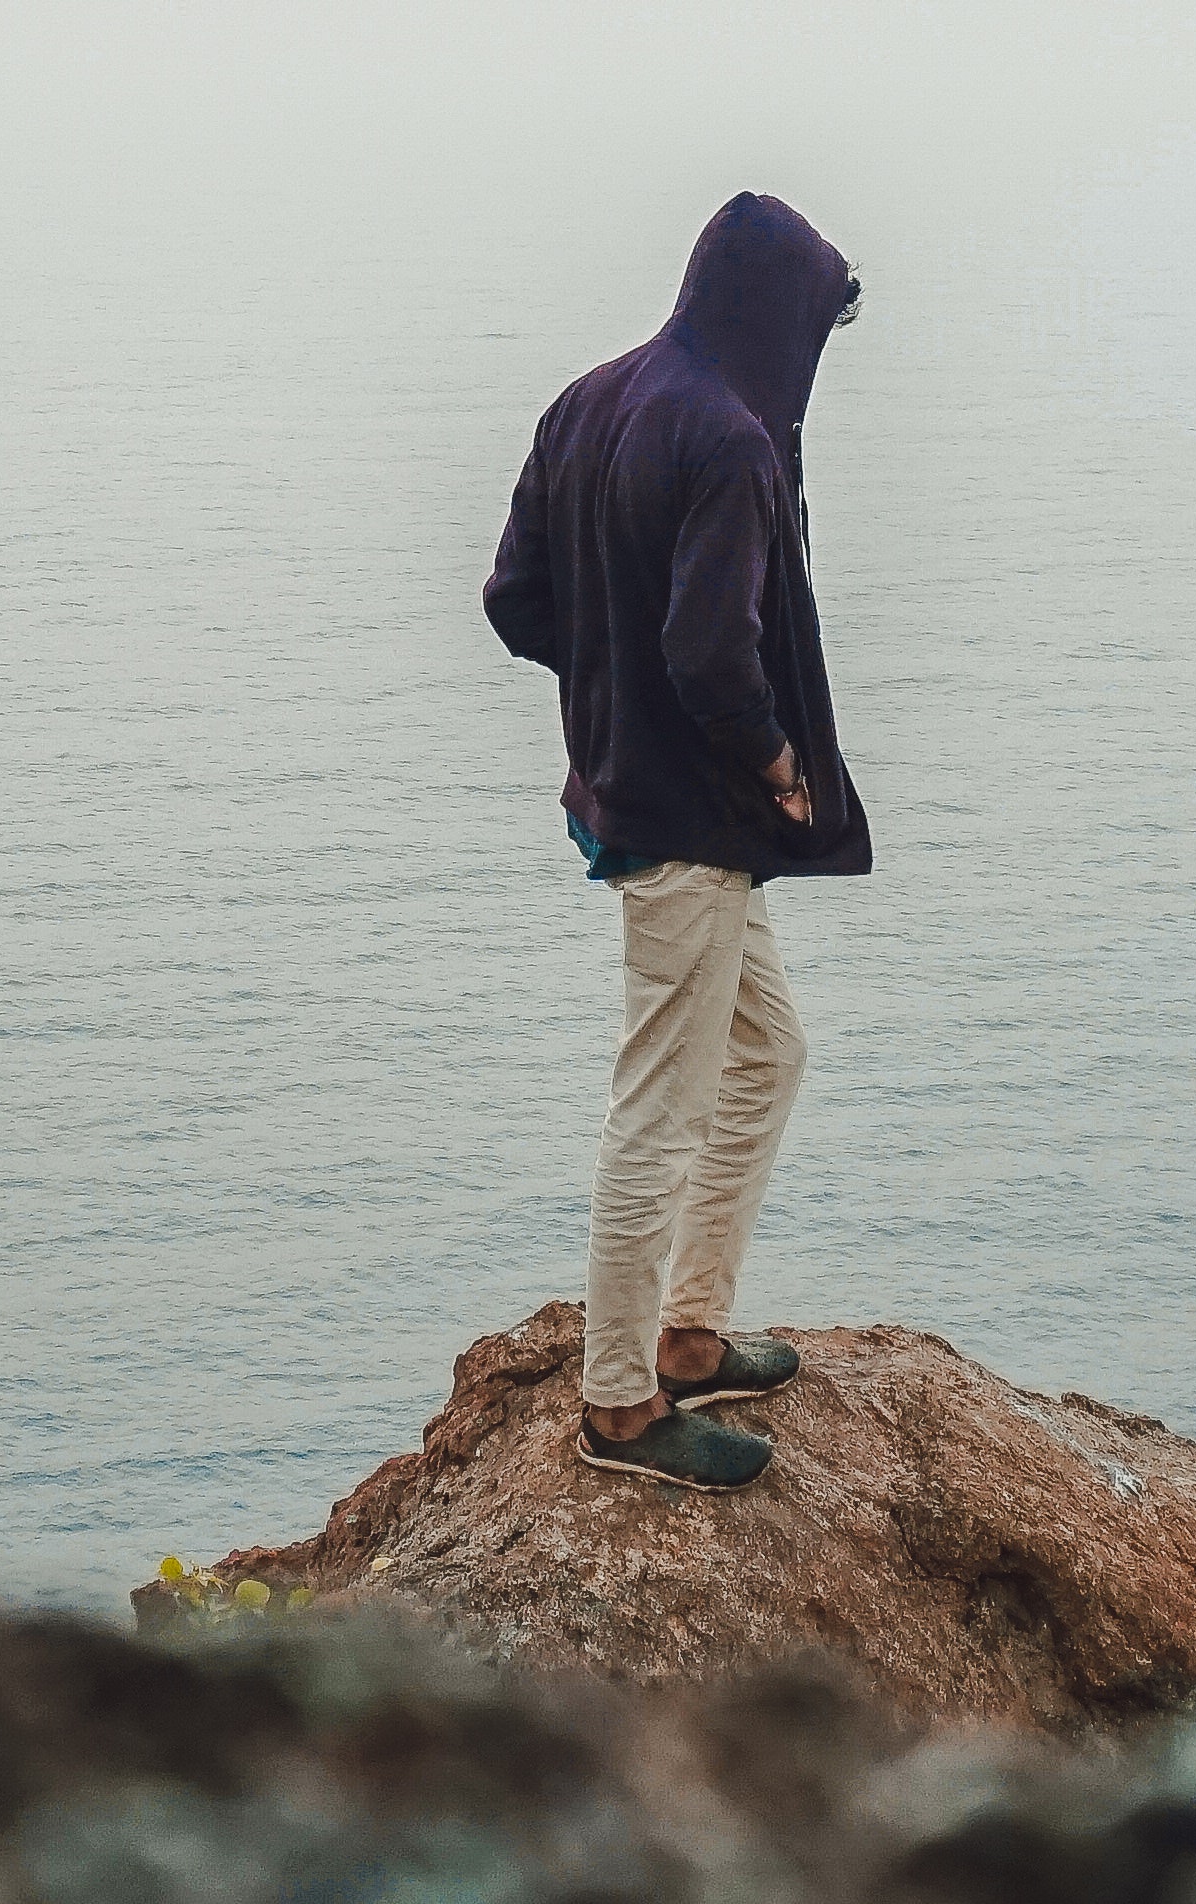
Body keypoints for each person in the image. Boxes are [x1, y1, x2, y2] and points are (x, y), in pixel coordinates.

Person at [482, 191, 872, 1491]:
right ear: (774, 312)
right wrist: (779, 767)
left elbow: (516, 600)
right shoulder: (734, 442)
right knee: (661, 1104)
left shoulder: (588, 403)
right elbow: (713, 655)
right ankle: (618, 1407)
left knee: (768, 1053)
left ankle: (692, 1327)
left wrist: (610, 695)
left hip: (628, 794)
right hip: (691, 820)